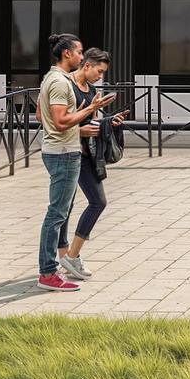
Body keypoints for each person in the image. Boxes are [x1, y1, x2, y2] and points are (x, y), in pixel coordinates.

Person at [36, 33, 114, 291]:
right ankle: (48, 273)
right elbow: (60, 121)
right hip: (64, 152)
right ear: (67, 53)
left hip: (59, 150)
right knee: (56, 214)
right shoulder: (60, 83)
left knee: (59, 211)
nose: (82, 57)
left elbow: (43, 115)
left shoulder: (50, 78)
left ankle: (58, 264)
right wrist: (89, 110)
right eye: (79, 52)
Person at [59, 48, 128, 281]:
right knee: (66, 206)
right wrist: (79, 131)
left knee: (96, 201)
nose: (100, 76)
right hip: (68, 153)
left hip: (87, 154)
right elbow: (54, 122)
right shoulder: (66, 87)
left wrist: (110, 121)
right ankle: (65, 257)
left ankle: (71, 256)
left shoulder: (91, 90)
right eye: (99, 71)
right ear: (86, 65)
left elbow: (93, 120)